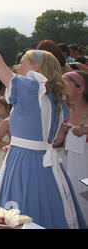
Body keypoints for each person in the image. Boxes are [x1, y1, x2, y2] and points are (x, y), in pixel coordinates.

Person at [0, 6, 86, 229]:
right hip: (46, 166)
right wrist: (24, 143)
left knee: (19, 215)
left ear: (36, 67)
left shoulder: (31, 87)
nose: (17, 65)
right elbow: (54, 140)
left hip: (24, 164)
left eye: (24, 61)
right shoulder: (55, 97)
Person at [54, 71, 88, 223]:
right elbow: (58, 140)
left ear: (80, 89)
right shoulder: (65, 110)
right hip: (71, 162)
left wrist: (85, 129)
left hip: (85, 162)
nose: (61, 88)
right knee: (73, 196)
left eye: (65, 85)